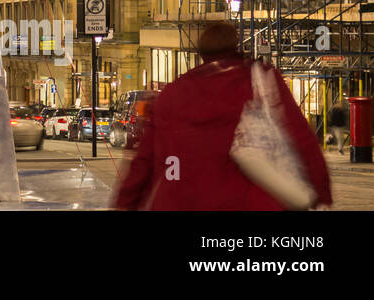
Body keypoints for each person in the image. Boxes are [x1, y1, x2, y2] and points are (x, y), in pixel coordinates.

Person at [113, 22, 331, 210]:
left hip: (181, 201)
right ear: (234, 46)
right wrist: (321, 191)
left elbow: (144, 158)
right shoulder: (260, 81)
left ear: (201, 54)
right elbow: (301, 136)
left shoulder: (172, 93)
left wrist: (126, 201)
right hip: (247, 203)